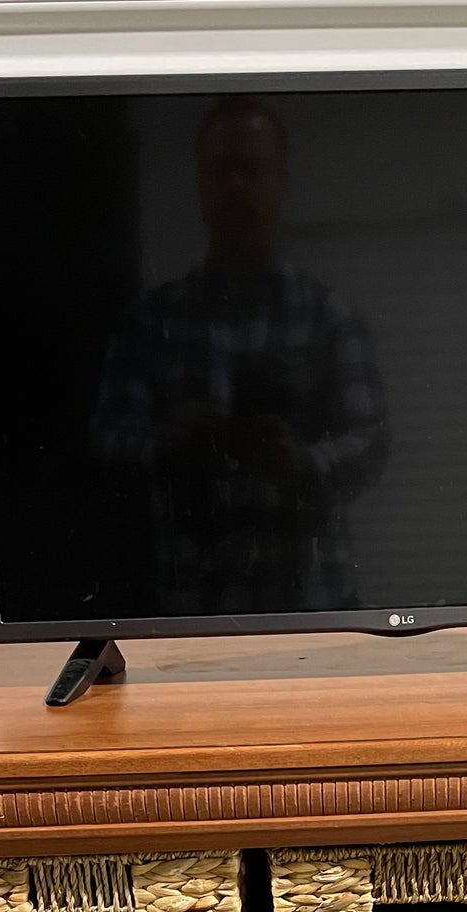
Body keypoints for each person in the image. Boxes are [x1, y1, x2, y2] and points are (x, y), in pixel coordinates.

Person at [92, 94, 389, 615]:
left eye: (252, 169)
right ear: (200, 186)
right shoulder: (151, 322)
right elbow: (107, 445)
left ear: (282, 179)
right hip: (190, 613)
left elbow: (372, 442)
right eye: (222, 171)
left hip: (315, 607)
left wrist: (300, 462)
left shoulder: (328, 317)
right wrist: (179, 445)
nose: (237, 187)